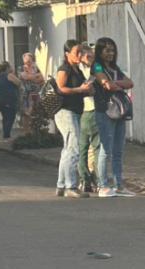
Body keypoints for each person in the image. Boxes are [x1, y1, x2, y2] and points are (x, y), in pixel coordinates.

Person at [92, 37, 136, 197]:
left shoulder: (115, 67)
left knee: (118, 151)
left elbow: (130, 83)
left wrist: (114, 83)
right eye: (107, 50)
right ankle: (102, 185)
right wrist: (115, 84)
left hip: (120, 111)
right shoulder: (97, 66)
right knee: (106, 150)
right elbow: (107, 84)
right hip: (105, 111)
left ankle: (119, 185)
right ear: (100, 51)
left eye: (113, 50)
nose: (110, 53)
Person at [54, 39, 93, 198]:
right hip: (65, 111)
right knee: (74, 147)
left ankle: (61, 185)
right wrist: (80, 89)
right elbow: (61, 88)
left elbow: (79, 88)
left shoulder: (76, 69)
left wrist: (86, 91)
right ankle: (70, 185)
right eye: (76, 52)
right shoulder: (64, 68)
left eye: (80, 52)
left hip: (76, 111)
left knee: (68, 149)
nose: (79, 55)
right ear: (67, 54)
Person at [77, 43, 100, 193]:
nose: (91, 59)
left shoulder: (82, 69)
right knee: (90, 148)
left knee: (85, 148)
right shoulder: (83, 70)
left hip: (90, 110)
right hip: (86, 109)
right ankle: (94, 179)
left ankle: (87, 180)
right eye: (88, 56)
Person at [0, 61, 20, 140]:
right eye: (10, 67)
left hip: (0, 98)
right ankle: (7, 135)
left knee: (5, 117)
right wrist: (12, 73)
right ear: (7, 68)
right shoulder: (9, 75)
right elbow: (18, 83)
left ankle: (5, 133)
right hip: (9, 98)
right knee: (11, 117)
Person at [17, 53, 44, 124]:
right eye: (26, 59)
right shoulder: (21, 68)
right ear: (23, 60)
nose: (28, 60)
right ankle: (26, 130)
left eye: (29, 58)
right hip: (26, 94)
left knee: (36, 111)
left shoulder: (36, 68)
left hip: (36, 93)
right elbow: (25, 77)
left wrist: (30, 77)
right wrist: (35, 77)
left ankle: (34, 129)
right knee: (26, 112)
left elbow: (41, 77)